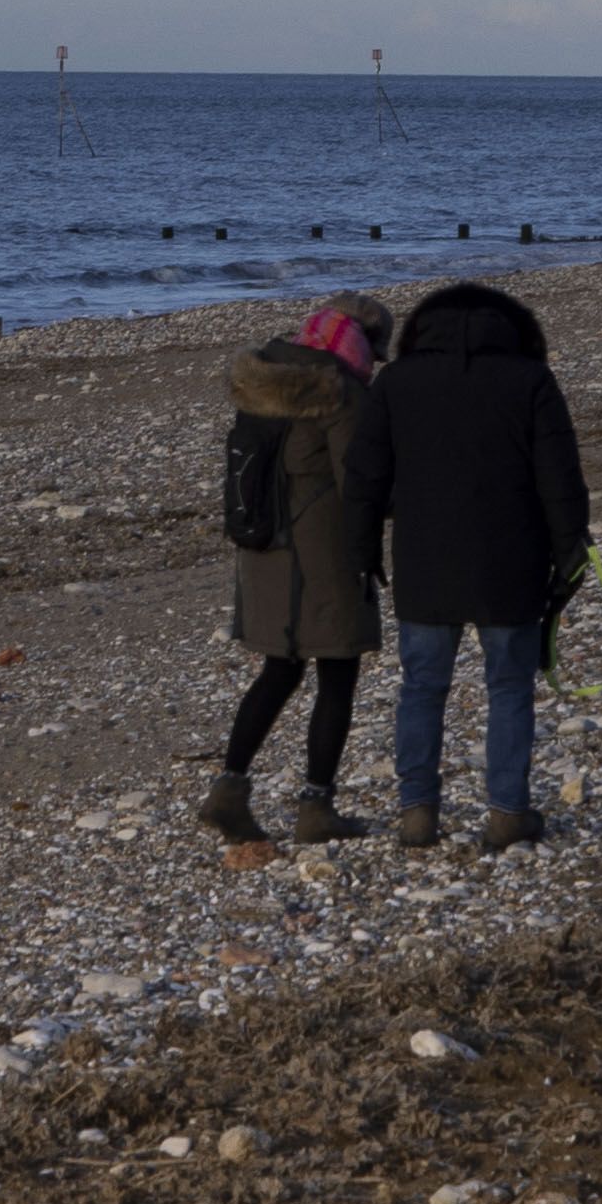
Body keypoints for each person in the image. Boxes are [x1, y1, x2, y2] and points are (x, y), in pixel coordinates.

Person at [359, 271, 591, 852]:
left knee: (422, 686)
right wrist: (572, 553)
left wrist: (361, 550)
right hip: (510, 558)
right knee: (509, 687)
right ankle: (507, 811)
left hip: (423, 559)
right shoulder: (531, 379)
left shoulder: (397, 382)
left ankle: (417, 811)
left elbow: (365, 478)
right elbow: (559, 478)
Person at [206, 299, 386, 848]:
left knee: (279, 670)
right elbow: (360, 484)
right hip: (324, 553)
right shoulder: (340, 392)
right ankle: (316, 806)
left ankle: (228, 791)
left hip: (263, 553)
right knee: (338, 672)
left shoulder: (263, 384)